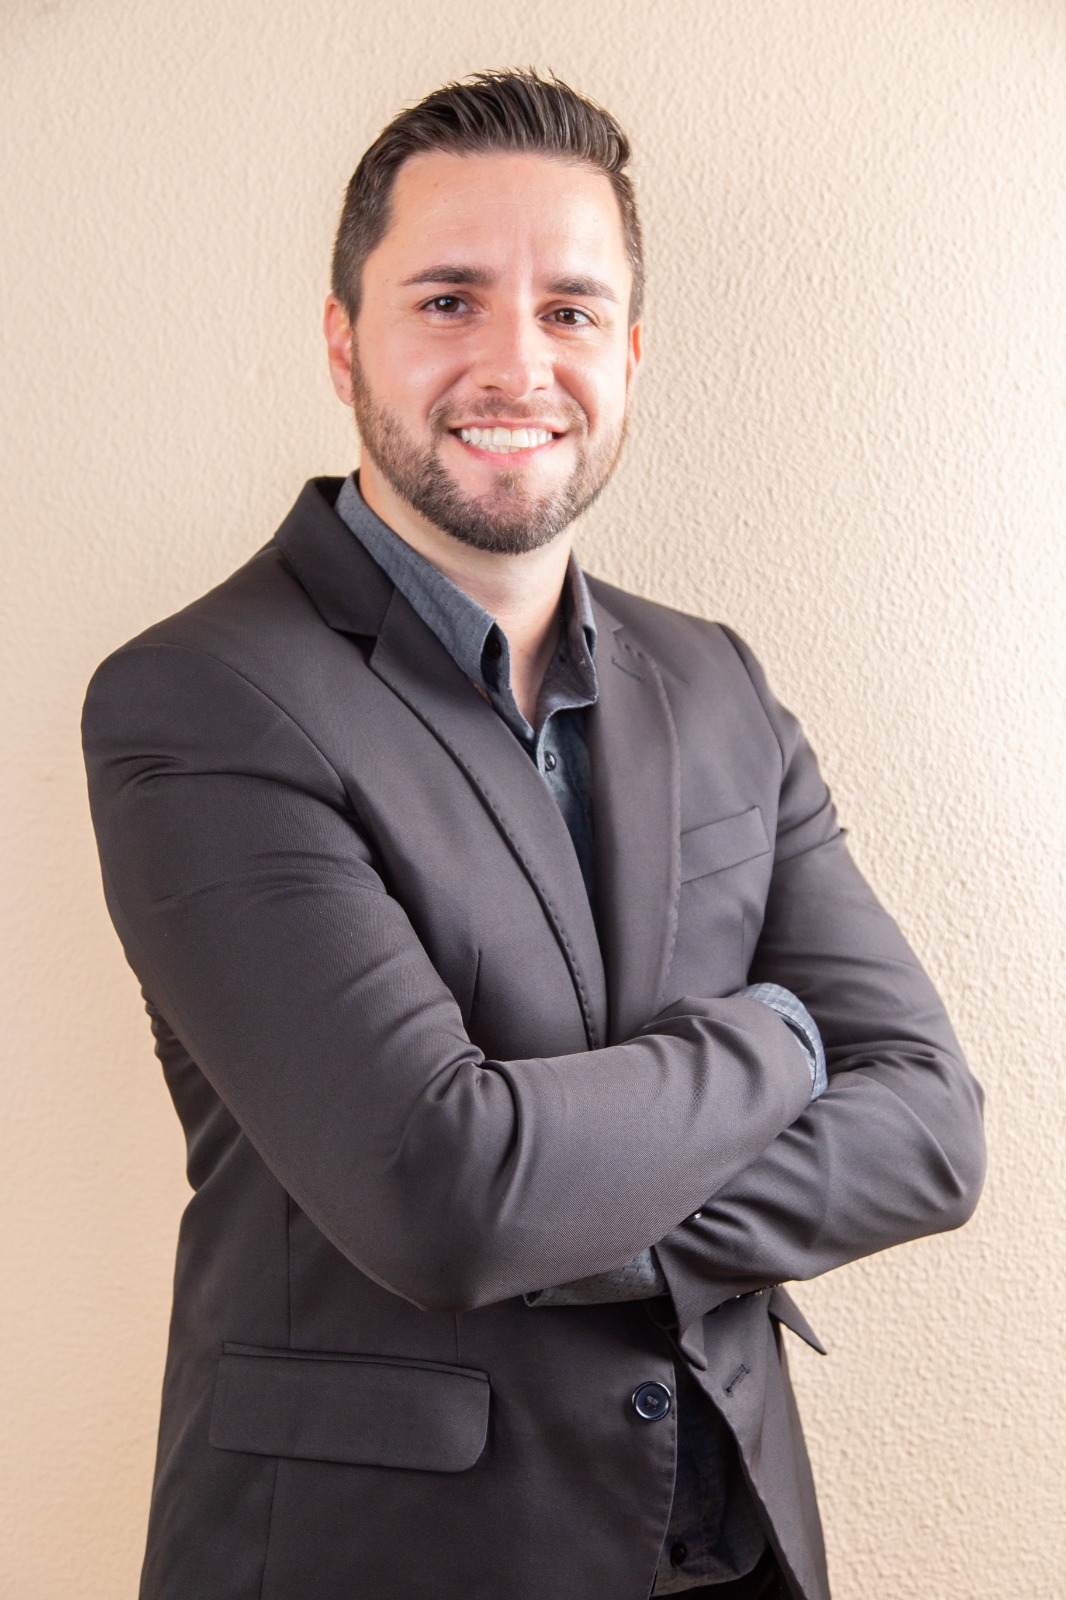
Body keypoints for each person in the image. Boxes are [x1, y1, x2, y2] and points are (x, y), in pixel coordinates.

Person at [82, 69, 985, 1600]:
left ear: (626, 354)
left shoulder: (713, 679)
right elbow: (441, 1197)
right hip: (389, 1559)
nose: (515, 362)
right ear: (341, 339)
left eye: (569, 309)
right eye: (448, 300)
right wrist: (777, 1040)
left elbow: (929, 1128)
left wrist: (572, 1218)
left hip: (731, 1540)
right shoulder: (202, 698)